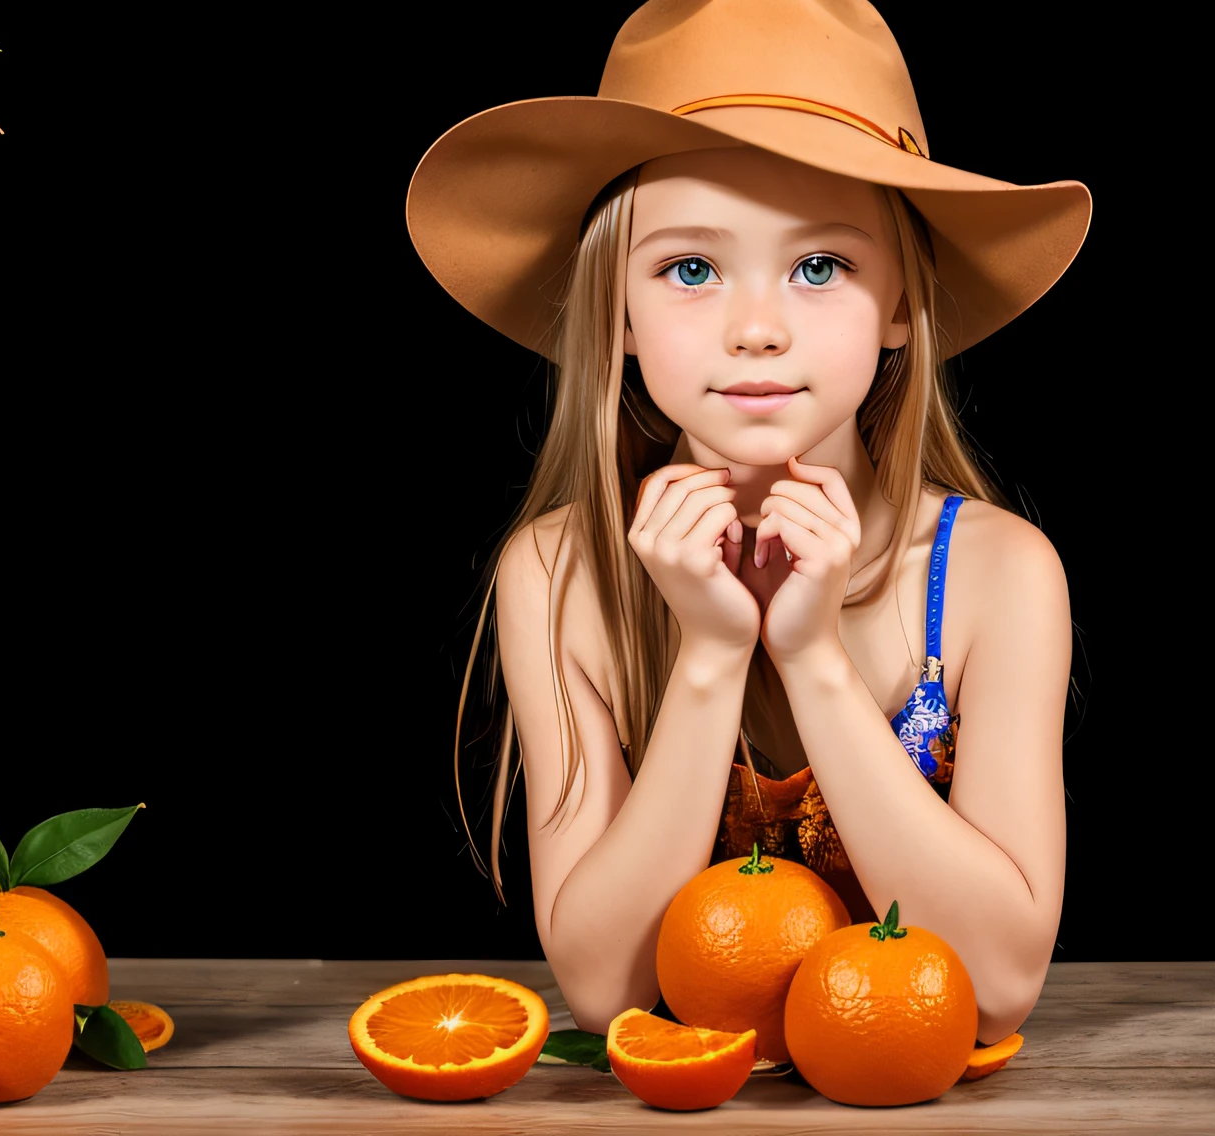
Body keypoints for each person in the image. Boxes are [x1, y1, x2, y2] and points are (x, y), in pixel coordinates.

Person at [410, 0, 1087, 1045]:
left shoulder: (1000, 574)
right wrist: (709, 653)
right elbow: (608, 991)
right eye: (690, 269)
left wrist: (811, 656)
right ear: (618, 314)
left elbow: (995, 984)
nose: (757, 328)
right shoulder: (555, 571)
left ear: (902, 300)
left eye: (820, 266)